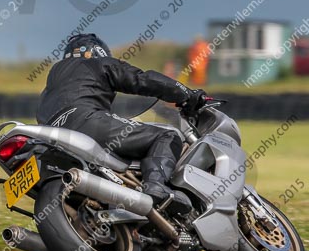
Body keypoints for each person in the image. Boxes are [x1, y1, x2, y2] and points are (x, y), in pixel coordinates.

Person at [36, 33, 207, 209]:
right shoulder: (97, 63)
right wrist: (187, 94)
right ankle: (157, 187)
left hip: (50, 139)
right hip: (86, 122)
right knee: (167, 136)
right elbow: (142, 80)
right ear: (98, 51)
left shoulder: (50, 86)